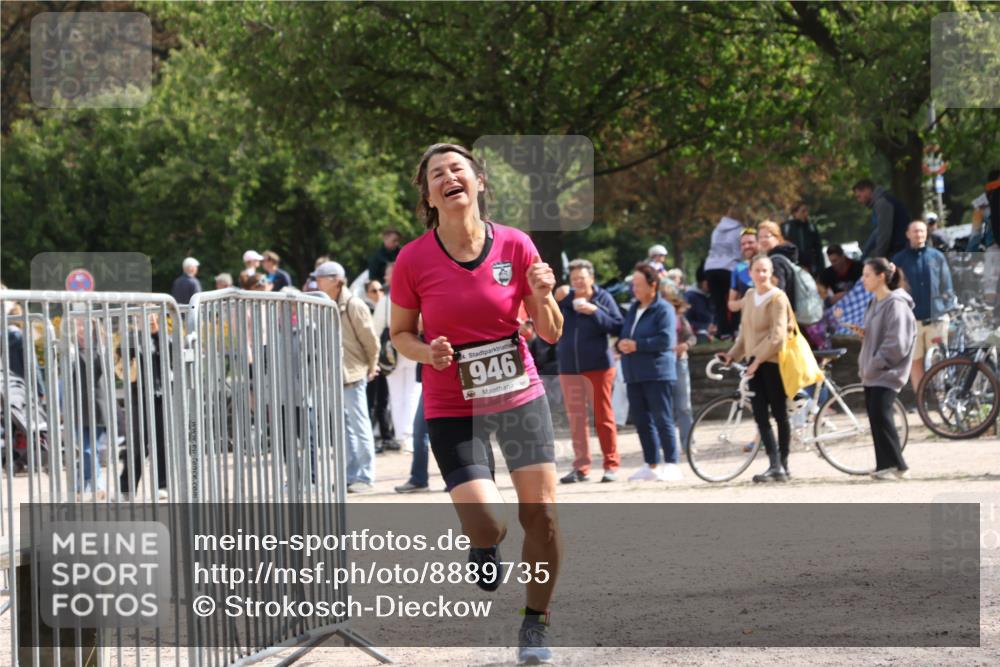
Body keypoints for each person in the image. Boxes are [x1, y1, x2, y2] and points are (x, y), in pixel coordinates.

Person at [389, 143, 563, 664]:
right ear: (429, 195)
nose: (448, 177)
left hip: (518, 393)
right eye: (437, 174)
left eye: (457, 169)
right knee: (489, 521)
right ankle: (483, 542)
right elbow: (399, 334)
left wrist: (545, 294)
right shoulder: (413, 258)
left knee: (545, 517)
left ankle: (536, 621)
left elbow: (550, 333)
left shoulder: (515, 245)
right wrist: (429, 351)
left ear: (478, 182)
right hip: (451, 401)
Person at [719, 255, 793, 483]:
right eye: (757, 270)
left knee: (779, 414)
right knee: (760, 415)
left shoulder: (778, 298)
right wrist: (732, 354)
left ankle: (783, 464)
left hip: (771, 363)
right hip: (754, 363)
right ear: (749, 273)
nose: (761, 275)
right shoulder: (750, 296)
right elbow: (746, 334)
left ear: (771, 273)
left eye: (765, 270)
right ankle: (774, 464)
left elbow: (777, 336)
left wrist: (757, 361)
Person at [314, 260, 380, 494]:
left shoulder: (354, 305)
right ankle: (351, 475)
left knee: (360, 427)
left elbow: (371, 341)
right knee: (345, 429)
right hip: (335, 376)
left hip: (353, 373)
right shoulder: (327, 304)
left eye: (320, 278)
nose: (316, 282)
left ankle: (365, 475)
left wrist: (372, 366)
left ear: (335, 280)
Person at [556, 258, 623, 484]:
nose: (578, 283)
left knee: (603, 417)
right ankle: (581, 467)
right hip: (569, 368)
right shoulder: (566, 300)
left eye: (582, 278)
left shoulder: (603, 298)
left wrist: (595, 311)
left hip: (599, 367)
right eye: (574, 279)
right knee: (576, 419)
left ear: (592, 279)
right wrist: (558, 295)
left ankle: (611, 465)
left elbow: (617, 325)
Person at [848, 259, 916, 480]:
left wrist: (878, 361)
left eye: (867, 275)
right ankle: (886, 466)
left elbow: (898, 341)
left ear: (881, 277)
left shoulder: (896, 303)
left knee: (882, 416)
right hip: (872, 372)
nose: (863, 279)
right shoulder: (875, 303)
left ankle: (898, 464)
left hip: (887, 371)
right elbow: (880, 334)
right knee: (877, 418)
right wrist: (865, 333)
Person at [617, 262, 682, 482]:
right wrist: (622, 344)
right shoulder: (634, 308)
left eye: (638, 284)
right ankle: (651, 463)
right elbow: (625, 333)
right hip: (634, 373)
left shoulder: (664, 309)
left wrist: (637, 345)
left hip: (657, 372)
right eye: (633, 284)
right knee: (642, 421)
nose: (634, 289)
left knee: (662, 419)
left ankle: (672, 463)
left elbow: (666, 339)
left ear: (652, 285)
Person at [892, 220, 955, 393]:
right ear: (908, 234)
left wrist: (946, 309)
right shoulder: (899, 260)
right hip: (911, 321)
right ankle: (921, 401)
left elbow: (947, 285)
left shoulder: (937, 256)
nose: (919, 234)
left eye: (922, 231)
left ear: (926, 233)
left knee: (938, 361)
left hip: (936, 318)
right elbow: (893, 289)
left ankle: (942, 400)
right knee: (915, 362)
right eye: (915, 231)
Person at [118, 312, 168, 500]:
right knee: (137, 444)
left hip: (161, 395)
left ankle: (163, 485)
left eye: (153, 316)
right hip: (138, 396)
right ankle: (127, 489)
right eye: (144, 317)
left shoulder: (162, 337)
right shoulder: (131, 338)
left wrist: (157, 334)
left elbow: (172, 357)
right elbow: (121, 361)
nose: (150, 320)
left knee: (162, 443)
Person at [662, 282, 697, 452]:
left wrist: (685, 345)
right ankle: (668, 446)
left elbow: (691, 337)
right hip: (661, 364)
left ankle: (688, 443)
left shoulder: (679, 318)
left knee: (684, 406)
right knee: (664, 407)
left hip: (679, 362)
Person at [703, 209, 744, 337]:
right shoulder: (739, 230)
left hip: (711, 267)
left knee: (719, 302)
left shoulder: (716, 230)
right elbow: (738, 251)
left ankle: (723, 331)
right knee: (734, 299)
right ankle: (736, 328)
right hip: (729, 267)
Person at [364, 279, 394, 453]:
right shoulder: (366, 310)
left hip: (385, 361)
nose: (378, 293)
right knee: (370, 401)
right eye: (373, 290)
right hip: (371, 363)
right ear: (367, 293)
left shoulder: (387, 308)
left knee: (383, 399)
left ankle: (387, 436)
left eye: (380, 289)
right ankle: (372, 439)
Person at [853, 179, 912, 259]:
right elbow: (878, 232)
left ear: (867, 190)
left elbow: (884, 233)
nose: (859, 200)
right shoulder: (882, 202)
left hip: (900, 252)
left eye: (859, 196)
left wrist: (878, 258)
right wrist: (865, 253)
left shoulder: (882, 203)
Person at [756, 221, 799, 313]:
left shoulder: (775, 262)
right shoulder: (785, 257)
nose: (763, 240)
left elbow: (778, 294)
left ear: (777, 238)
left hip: (783, 317)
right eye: (760, 237)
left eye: (767, 236)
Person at [782, 202, 824, 274]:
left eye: (807, 211)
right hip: (793, 267)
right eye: (803, 211)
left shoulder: (811, 228)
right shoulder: (786, 228)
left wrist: (821, 269)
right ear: (795, 213)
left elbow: (818, 250)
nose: (806, 214)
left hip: (810, 268)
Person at [727, 227, 759, 312]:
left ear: (758, 243)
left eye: (750, 242)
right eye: (743, 244)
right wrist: (744, 302)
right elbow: (731, 304)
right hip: (749, 321)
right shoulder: (738, 268)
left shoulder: (769, 263)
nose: (746, 246)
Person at [685, 263, 715, 342]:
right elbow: (686, 321)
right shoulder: (690, 297)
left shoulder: (713, 294)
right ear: (703, 282)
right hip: (697, 335)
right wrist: (705, 327)